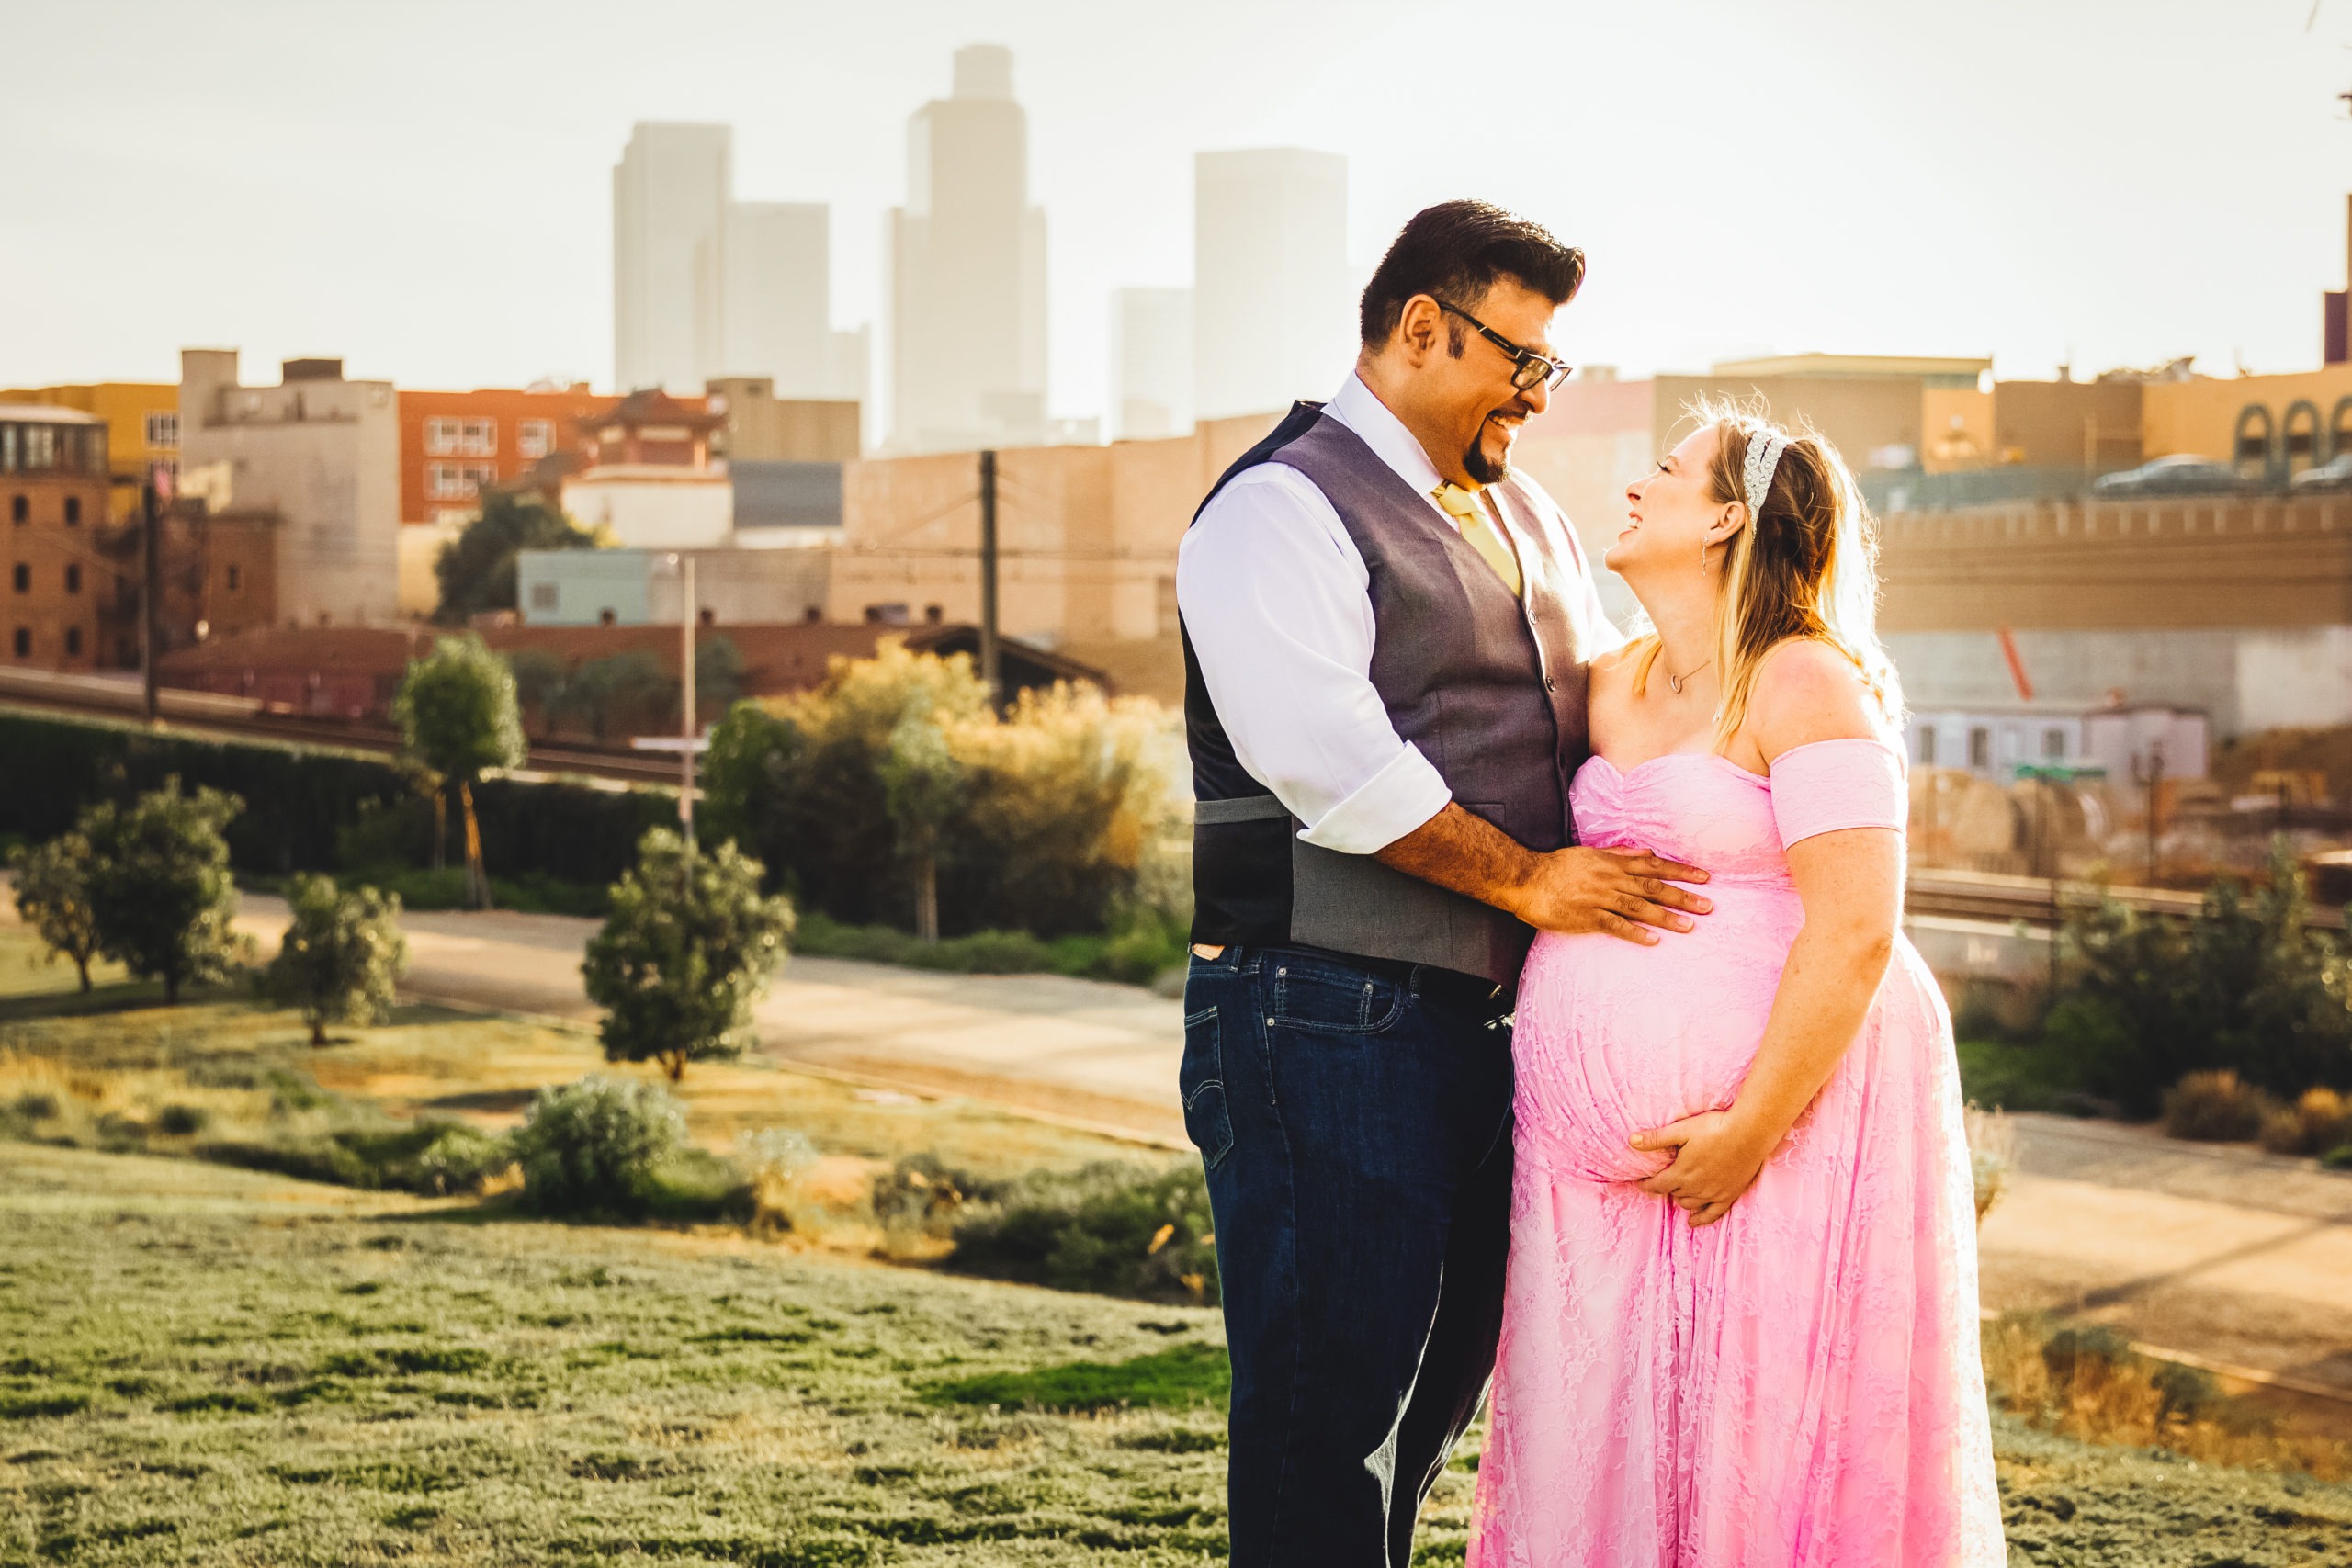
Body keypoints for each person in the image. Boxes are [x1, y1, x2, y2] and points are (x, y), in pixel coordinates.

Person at [1174, 199, 1713, 1567]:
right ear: (1423, 327)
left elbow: (1594, 707)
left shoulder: (1521, 510)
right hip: (1317, 1017)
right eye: (1520, 360)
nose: (1537, 394)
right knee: (1325, 1421)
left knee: (1421, 1417)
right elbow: (1330, 765)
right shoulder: (1277, 507)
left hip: (1475, 1033)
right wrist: (1533, 881)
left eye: (1551, 369)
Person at [1468, 406, 2005, 1564]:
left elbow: (1860, 927)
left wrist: (1750, 1129)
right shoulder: (1612, 681)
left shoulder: (1805, 680)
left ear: (1723, 516)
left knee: (1760, 1425)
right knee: (1603, 1434)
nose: (1633, 485)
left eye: (1663, 471)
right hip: (1587, 1183)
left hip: (1782, 1128)